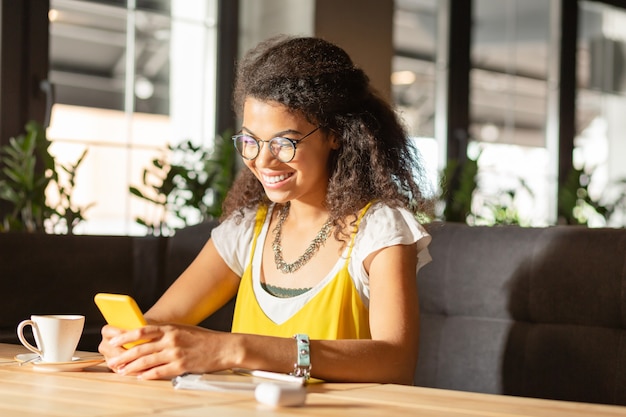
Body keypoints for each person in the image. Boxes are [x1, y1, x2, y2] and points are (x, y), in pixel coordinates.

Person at [98, 35, 432, 385]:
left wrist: (234, 349)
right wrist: (130, 341)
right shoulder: (246, 229)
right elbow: (159, 320)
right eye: (250, 141)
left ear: (336, 134)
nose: (262, 159)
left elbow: (395, 360)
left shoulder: (380, 230)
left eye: (283, 142)